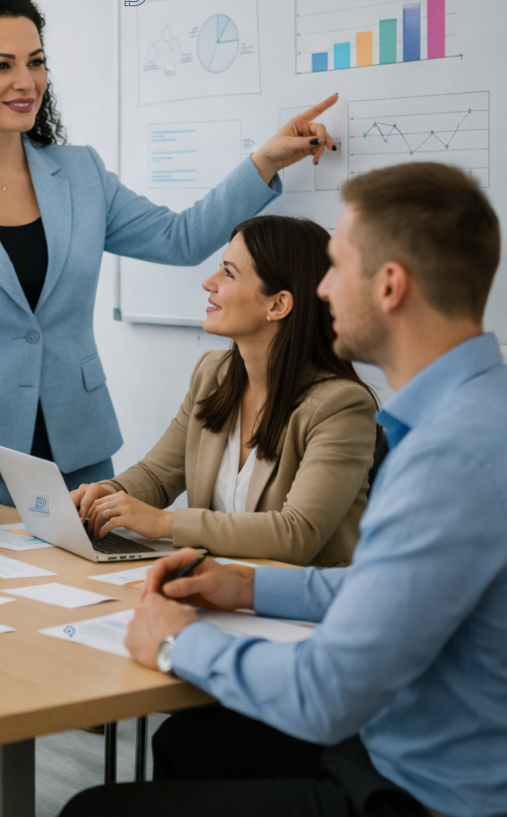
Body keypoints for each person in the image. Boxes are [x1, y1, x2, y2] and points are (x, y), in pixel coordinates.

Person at [61, 162, 507, 817]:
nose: (323, 288)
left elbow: (328, 694)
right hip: (398, 745)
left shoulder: (449, 454)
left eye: (338, 265)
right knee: (193, 746)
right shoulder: (467, 414)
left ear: (389, 285)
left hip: (421, 791)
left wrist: (177, 639)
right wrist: (247, 586)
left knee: (90, 812)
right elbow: (383, 585)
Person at [0, 0, 338, 504]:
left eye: (36, 62)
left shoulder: (80, 173)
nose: (26, 82)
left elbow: (178, 239)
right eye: (2, 65)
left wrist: (265, 161)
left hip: (79, 453)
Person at [71, 214, 378, 566]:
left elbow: (298, 533)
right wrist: (108, 494)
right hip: (219, 587)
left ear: (278, 304)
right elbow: (158, 476)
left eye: (228, 273)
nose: (208, 282)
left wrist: (163, 523)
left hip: (300, 603)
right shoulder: (213, 374)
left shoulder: (341, 407)